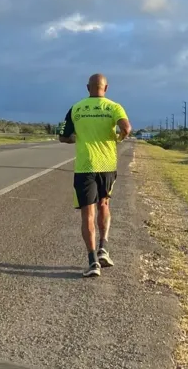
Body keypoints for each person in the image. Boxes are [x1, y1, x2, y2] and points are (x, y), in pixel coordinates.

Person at [59, 73, 132, 278]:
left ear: (87, 87)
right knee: (104, 205)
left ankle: (92, 262)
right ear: (105, 88)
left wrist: (76, 138)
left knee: (87, 213)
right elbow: (127, 128)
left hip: (85, 166)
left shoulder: (76, 108)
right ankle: (103, 248)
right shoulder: (114, 106)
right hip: (107, 165)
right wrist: (118, 138)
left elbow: (63, 136)